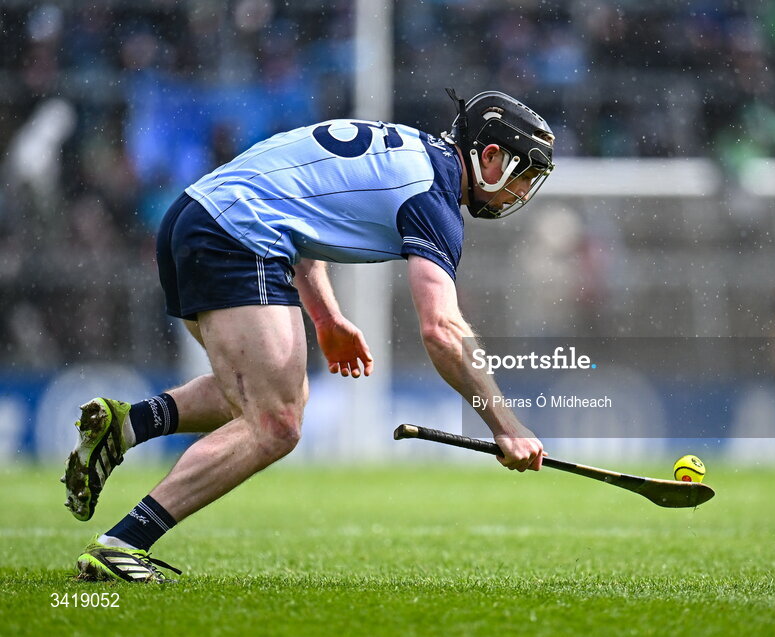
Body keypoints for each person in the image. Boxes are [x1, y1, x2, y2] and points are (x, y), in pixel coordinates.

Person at [62, 89, 555, 582]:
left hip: (194, 218)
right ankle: (122, 543)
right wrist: (505, 424)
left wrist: (326, 319)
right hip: (234, 235)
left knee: (271, 395)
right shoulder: (433, 195)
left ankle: (127, 426)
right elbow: (442, 330)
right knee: (275, 422)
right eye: (524, 175)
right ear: (489, 156)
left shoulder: (409, 149)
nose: (521, 192)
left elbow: (301, 212)